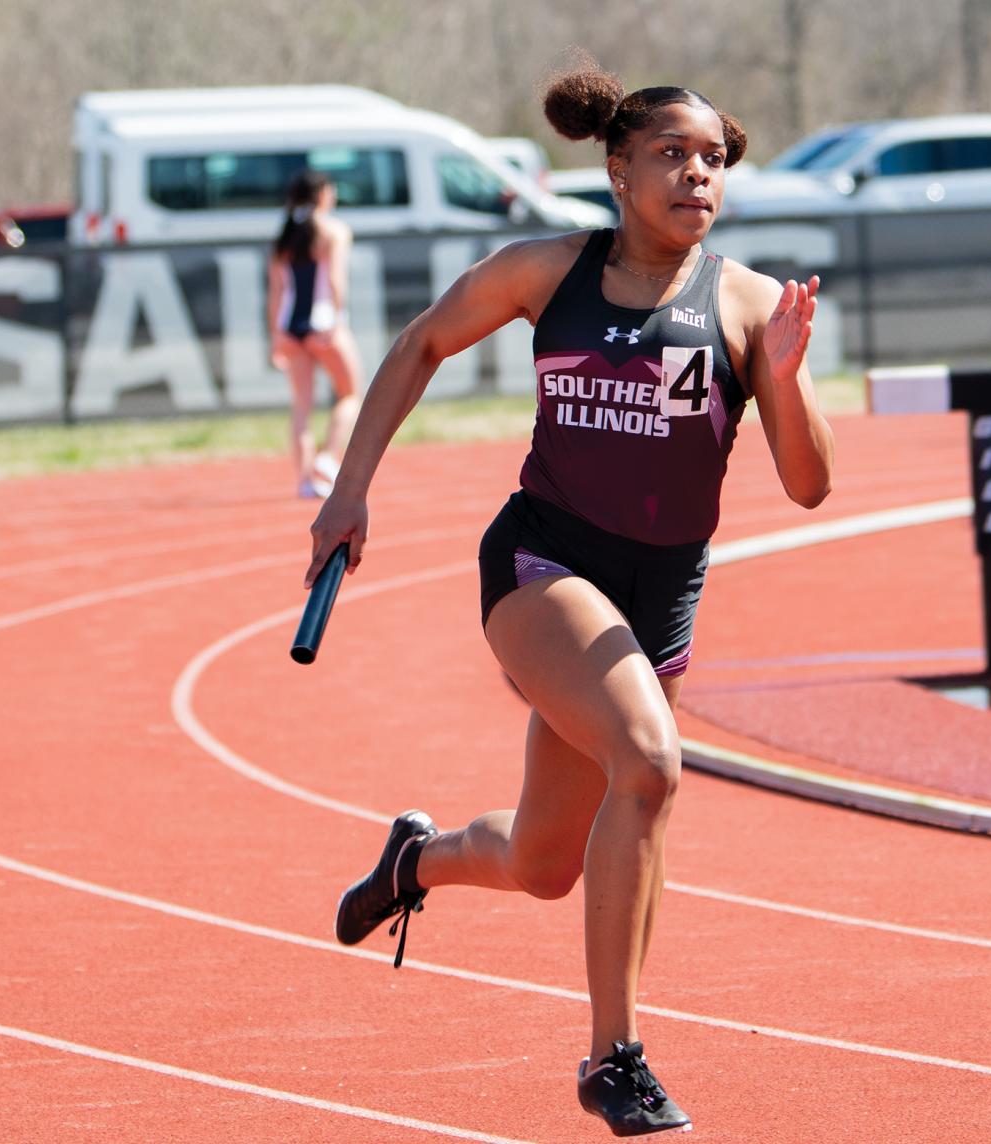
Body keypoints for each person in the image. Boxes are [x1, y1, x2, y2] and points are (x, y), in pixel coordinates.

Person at [308, 61, 834, 1138]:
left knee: (544, 863)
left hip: (662, 593)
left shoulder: (742, 301)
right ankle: (614, 1057)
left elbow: (809, 482)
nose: (698, 175)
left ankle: (415, 860)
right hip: (543, 566)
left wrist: (780, 374)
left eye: (713, 160)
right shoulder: (547, 271)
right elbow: (420, 346)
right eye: (671, 156)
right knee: (648, 763)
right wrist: (349, 490)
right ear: (617, 171)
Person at [269, 169, 363, 498]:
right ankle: (327, 456)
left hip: (289, 329)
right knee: (350, 394)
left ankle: (305, 481)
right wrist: (337, 320)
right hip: (323, 324)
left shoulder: (284, 236)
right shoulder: (333, 231)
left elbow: (277, 293)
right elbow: (335, 280)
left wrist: (276, 337)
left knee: (302, 406)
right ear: (323, 194)